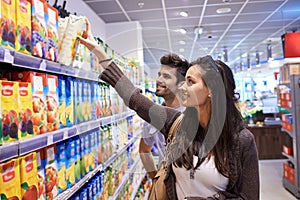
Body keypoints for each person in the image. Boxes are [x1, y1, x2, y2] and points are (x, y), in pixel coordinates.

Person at [77, 18, 259, 199]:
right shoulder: (177, 123)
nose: (182, 87)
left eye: (190, 82)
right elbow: (134, 98)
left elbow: (248, 196)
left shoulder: (242, 141)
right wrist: (98, 51)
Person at [139, 54, 189, 179]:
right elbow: (144, 150)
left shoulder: (193, 114)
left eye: (166, 76)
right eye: (159, 74)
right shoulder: (153, 116)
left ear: (181, 84)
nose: (159, 80)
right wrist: (155, 178)